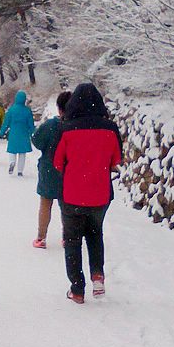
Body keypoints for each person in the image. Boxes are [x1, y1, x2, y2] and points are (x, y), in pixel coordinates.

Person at [53, 83, 122, 304]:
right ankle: (98, 274)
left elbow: (57, 162)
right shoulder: (110, 129)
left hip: (71, 193)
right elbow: (116, 160)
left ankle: (77, 289)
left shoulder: (66, 129)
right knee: (95, 234)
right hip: (100, 194)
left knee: (72, 240)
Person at [30, 90, 72, 249]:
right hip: (68, 171)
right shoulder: (74, 127)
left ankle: (41, 238)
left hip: (49, 168)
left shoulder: (50, 125)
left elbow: (37, 140)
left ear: (59, 108)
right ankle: (67, 237)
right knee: (66, 206)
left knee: (45, 204)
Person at [0, 90, 35, 176]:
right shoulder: (27, 111)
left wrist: (1, 132)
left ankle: (12, 162)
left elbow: (6, 122)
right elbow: (31, 124)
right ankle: (20, 171)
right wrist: (33, 133)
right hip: (24, 134)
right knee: (22, 153)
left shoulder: (11, 110)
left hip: (13, 134)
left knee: (12, 151)